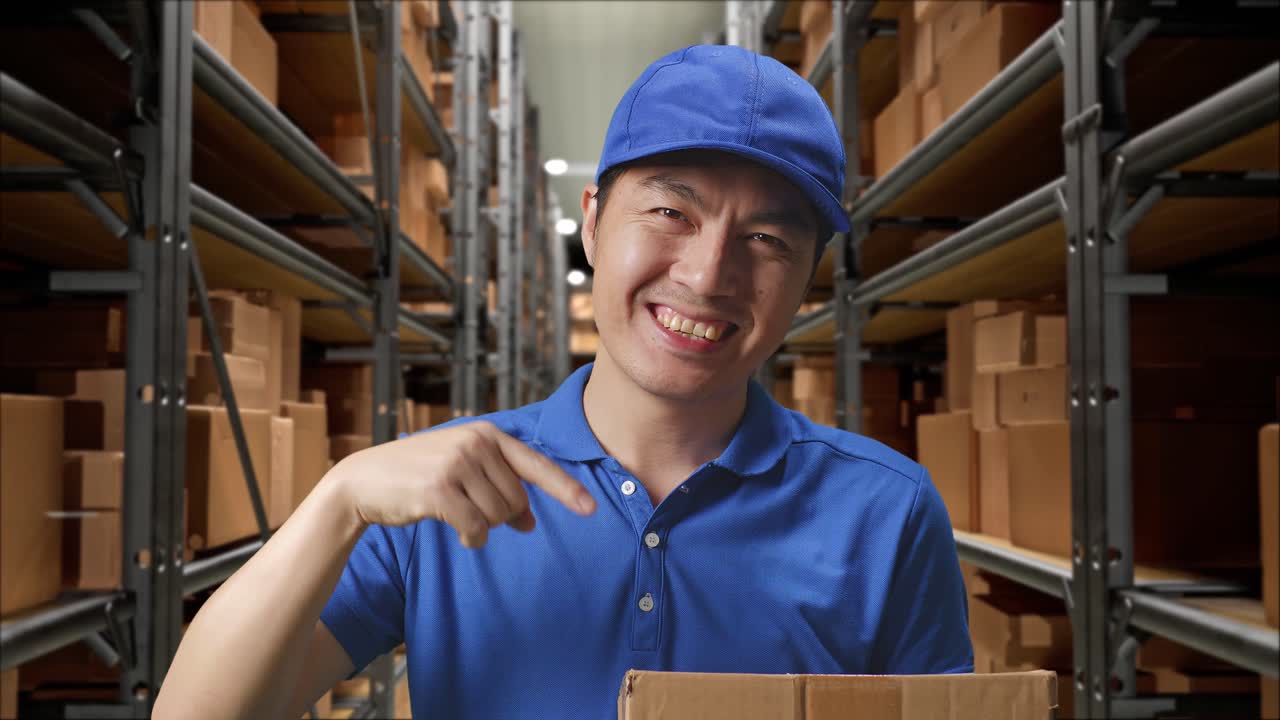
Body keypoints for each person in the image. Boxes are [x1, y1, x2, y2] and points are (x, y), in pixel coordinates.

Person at [156, 44, 971, 719]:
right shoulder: (448, 485)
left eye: (767, 238)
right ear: (591, 220)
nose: (708, 272)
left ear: (806, 281)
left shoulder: (886, 513)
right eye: (671, 213)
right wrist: (336, 501)